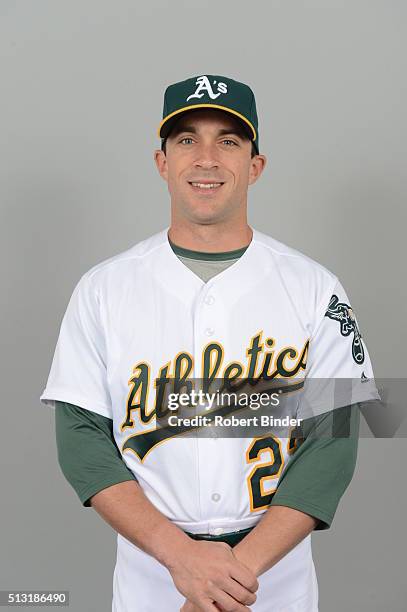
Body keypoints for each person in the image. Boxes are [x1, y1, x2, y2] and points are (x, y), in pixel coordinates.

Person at [40, 74, 380, 611]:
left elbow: (333, 442)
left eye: (228, 140)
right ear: (162, 162)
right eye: (186, 140)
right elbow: (81, 440)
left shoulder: (316, 288)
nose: (206, 158)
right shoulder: (104, 288)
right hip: (153, 572)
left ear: (255, 165)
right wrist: (181, 559)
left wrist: (228, 579)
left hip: (274, 577)